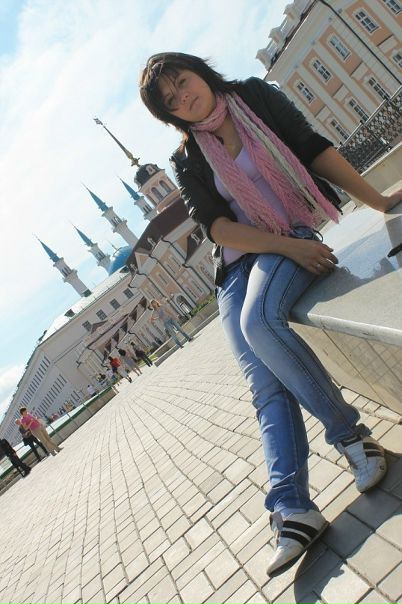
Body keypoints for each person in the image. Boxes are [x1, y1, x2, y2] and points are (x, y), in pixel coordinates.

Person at [139, 52, 402, 575]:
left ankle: (351, 438)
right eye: (170, 100)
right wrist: (282, 249)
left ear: (201, 73)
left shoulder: (255, 98)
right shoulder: (187, 157)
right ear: (168, 115)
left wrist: (378, 202)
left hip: (289, 235)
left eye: (183, 82)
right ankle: (294, 507)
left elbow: (313, 149)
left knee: (260, 325)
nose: (183, 97)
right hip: (239, 268)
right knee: (264, 384)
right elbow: (216, 228)